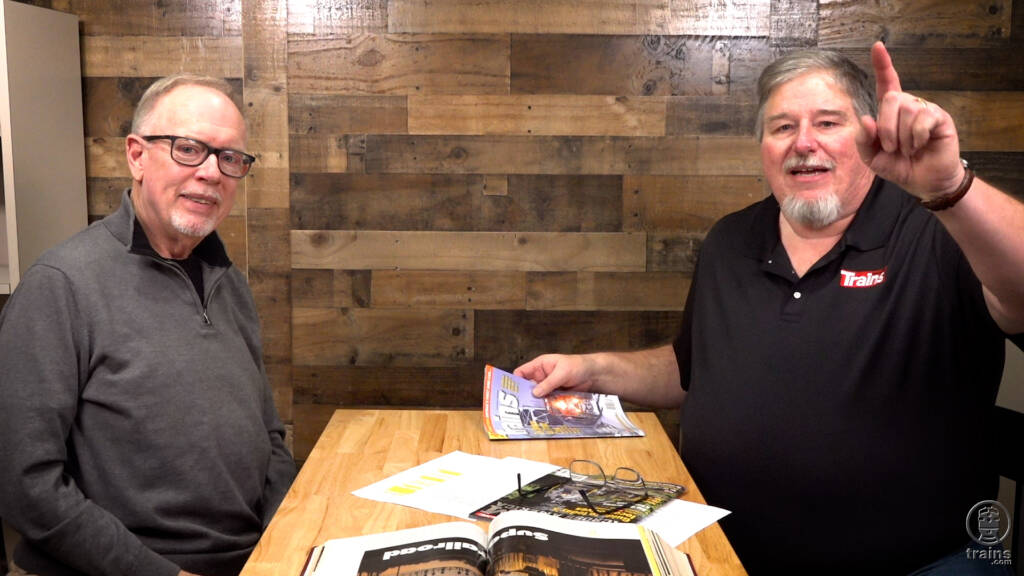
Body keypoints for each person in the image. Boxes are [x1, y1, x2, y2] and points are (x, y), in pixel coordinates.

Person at [515, 42, 1024, 574]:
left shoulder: (940, 229)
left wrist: (952, 190)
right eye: (782, 127)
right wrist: (594, 370)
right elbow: (692, 370)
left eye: (828, 122)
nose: (803, 143)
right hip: (718, 552)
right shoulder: (730, 239)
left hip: (918, 562)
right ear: (761, 145)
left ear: (872, 134)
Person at [0, 75, 296, 576]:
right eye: (188, 149)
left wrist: (287, 535)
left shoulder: (231, 283)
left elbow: (269, 438)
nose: (210, 173)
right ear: (136, 156)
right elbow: (24, 483)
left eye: (229, 159)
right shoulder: (61, 285)